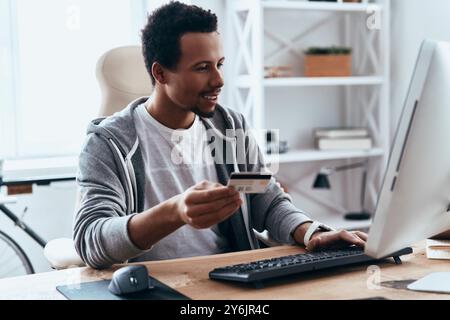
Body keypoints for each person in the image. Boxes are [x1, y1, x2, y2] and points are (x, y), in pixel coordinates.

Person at [73, 1, 367, 269]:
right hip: (152, 285)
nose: (218, 80)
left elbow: (265, 199)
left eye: (219, 64)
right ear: (160, 74)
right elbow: (91, 239)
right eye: (202, 68)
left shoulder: (228, 128)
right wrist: (175, 212)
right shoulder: (108, 144)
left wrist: (312, 233)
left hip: (231, 278)